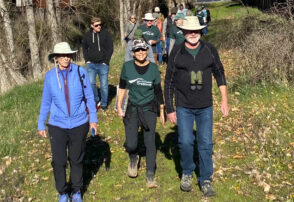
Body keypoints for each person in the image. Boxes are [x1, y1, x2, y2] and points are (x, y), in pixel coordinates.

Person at [164, 16, 229, 197]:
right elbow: (168, 81)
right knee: (185, 142)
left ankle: (206, 178)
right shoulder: (176, 52)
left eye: (196, 30)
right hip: (183, 105)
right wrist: (170, 108)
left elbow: (219, 74)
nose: (193, 34)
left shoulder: (209, 50)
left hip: (205, 106)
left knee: (206, 143)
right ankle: (186, 172)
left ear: (201, 31)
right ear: (183, 32)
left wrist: (224, 100)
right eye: (189, 31)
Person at [37, 42, 98, 202]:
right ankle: (63, 192)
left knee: (76, 159)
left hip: (79, 123)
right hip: (57, 124)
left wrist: (93, 119)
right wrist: (41, 122)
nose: (66, 58)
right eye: (62, 55)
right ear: (56, 58)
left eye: (68, 55)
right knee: (59, 161)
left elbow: (90, 96)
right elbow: (46, 101)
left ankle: (77, 191)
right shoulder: (50, 77)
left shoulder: (80, 72)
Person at [117, 38, 165, 188]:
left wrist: (162, 110)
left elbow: (158, 90)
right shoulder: (127, 67)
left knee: (150, 142)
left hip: (149, 108)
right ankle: (133, 157)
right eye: (137, 50)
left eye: (143, 49)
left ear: (147, 51)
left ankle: (150, 175)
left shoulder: (153, 68)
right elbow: (123, 87)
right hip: (132, 108)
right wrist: (119, 106)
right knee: (131, 144)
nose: (141, 52)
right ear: (133, 52)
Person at [82, 17, 113, 111]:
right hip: (91, 64)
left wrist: (106, 61)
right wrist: (87, 60)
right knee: (91, 83)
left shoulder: (106, 34)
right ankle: (96, 100)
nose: (99, 26)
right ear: (92, 26)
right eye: (96, 25)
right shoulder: (87, 35)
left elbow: (110, 48)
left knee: (104, 85)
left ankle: (104, 103)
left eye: (100, 24)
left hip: (103, 64)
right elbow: (84, 48)